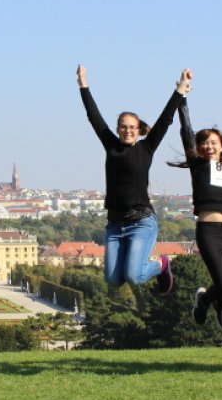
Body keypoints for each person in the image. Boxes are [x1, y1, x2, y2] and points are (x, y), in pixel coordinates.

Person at [77, 64, 190, 293]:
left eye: (132, 127)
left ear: (138, 130)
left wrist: (180, 88)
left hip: (141, 222)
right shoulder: (111, 146)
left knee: (134, 276)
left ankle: (161, 264)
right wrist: (83, 84)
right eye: (123, 127)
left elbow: (165, 119)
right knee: (113, 279)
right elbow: (94, 117)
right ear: (118, 129)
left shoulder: (146, 148)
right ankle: (155, 267)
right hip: (115, 224)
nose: (127, 130)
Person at [169, 71, 222, 331]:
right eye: (204, 143)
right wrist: (182, 99)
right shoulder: (197, 165)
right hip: (208, 230)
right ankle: (205, 300)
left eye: (214, 143)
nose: (208, 146)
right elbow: (186, 131)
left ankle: (218, 304)